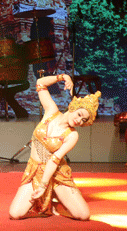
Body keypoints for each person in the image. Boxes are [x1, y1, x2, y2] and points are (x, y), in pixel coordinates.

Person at [9, 74, 98, 221]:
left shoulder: (72, 135)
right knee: (15, 214)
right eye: (80, 114)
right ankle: (49, 200)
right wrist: (63, 77)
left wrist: (43, 186)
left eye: (83, 120)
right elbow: (40, 84)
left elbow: (54, 160)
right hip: (35, 170)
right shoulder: (51, 111)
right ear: (74, 107)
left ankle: (57, 199)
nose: (79, 121)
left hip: (56, 173)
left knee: (83, 215)